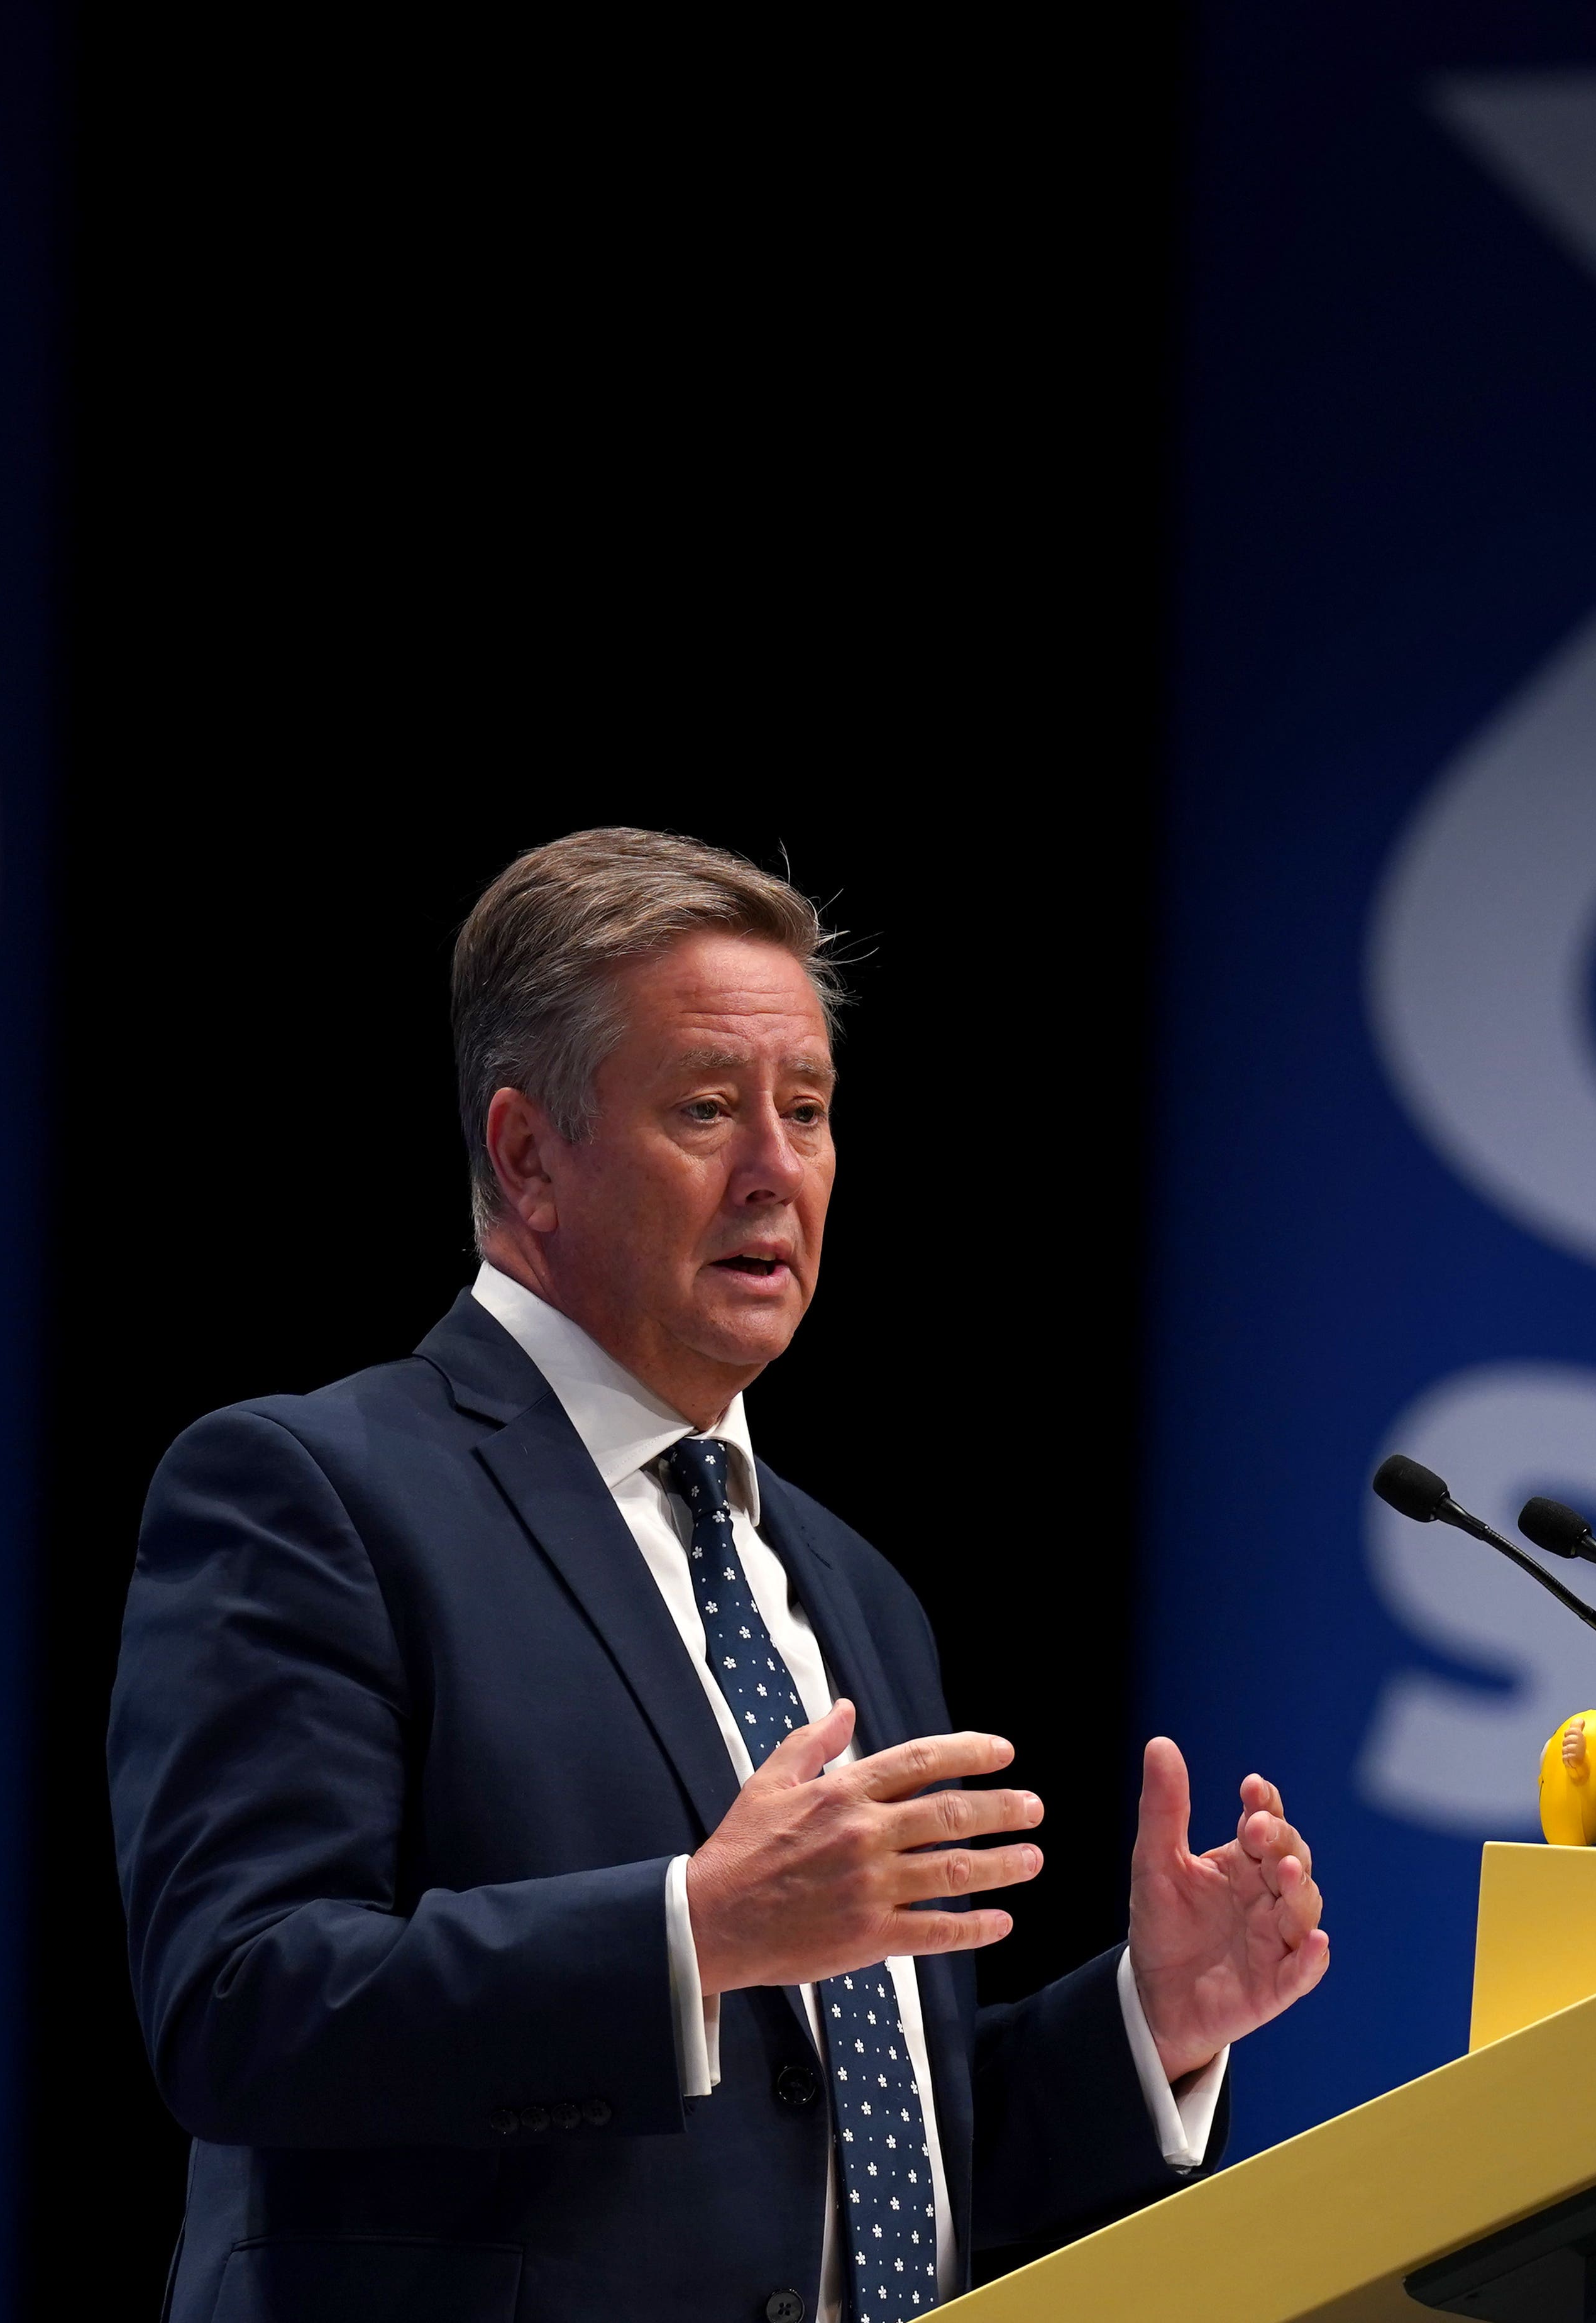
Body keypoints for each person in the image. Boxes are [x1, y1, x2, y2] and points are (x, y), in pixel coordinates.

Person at [108, 829, 1330, 2323]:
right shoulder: (315, 1492)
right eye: (706, 1108)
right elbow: (241, 2005)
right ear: (527, 1155)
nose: (776, 1169)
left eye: (807, 1110)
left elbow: (856, 2154)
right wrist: (694, 1930)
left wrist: (1152, 2024)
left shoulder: (851, 1588)